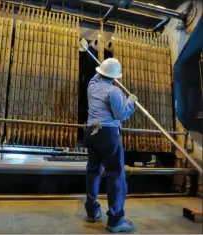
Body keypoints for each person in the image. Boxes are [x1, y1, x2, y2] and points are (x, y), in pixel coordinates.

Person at [84, 58, 138, 233]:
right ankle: (115, 221)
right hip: (108, 135)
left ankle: (92, 212)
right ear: (115, 76)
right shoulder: (114, 91)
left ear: (100, 73)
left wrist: (101, 69)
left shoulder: (91, 87)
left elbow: (95, 76)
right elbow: (121, 114)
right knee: (116, 176)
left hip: (91, 133)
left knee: (93, 172)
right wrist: (131, 101)